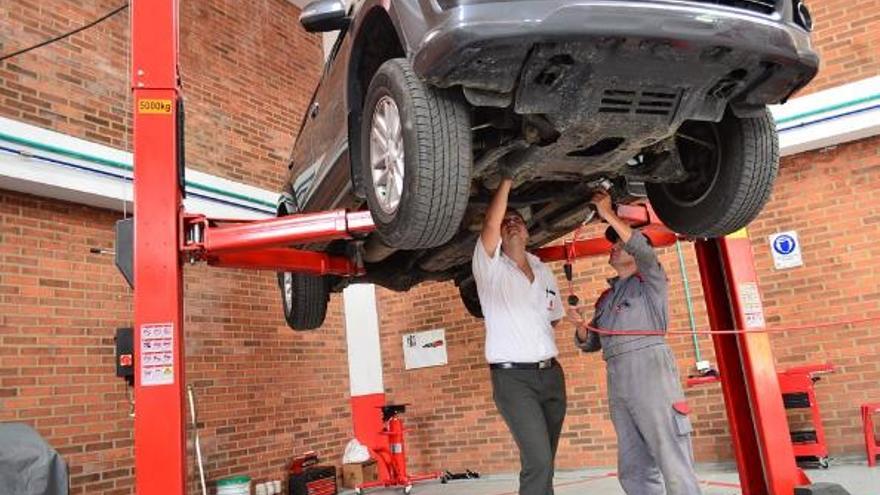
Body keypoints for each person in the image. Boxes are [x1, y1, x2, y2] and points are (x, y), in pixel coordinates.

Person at [567, 190, 702, 495]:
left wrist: (609, 214)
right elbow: (592, 345)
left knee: (671, 456)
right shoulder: (607, 297)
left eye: (618, 242)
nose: (612, 247)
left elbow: (643, 251)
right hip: (618, 377)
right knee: (633, 465)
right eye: (612, 242)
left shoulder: (650, 281)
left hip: (650, 370)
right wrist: (581, 329)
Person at [472, 175, 566, 495]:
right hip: (514, 381)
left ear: (527, 232)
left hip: (552, 375)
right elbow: (488, 225)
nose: (512, 224)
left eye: (518, 221)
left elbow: (553, 318)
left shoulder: (543, 270)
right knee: (538, 460)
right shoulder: (489, 269)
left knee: (544, 461)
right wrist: (508, 179)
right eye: (506, 221)